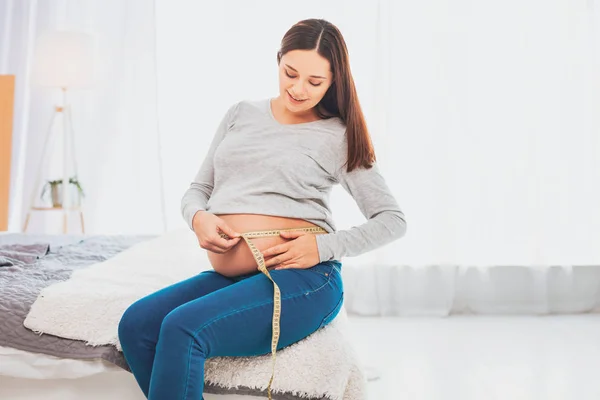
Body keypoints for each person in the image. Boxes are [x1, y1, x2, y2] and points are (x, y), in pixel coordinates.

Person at [118, 18, 406, 400]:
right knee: (136, 324)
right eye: (290, 73)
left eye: (315, 82)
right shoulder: (241, 113)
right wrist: (198, 218)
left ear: (334, 81)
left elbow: (392, 220)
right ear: (279, 61)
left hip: (304, 279)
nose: (298, 89)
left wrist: (320, 248)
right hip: (236, 276)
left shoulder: (338, 135)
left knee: (183, 328)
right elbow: (198, 190)